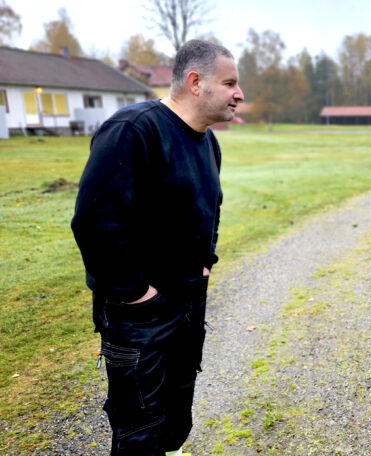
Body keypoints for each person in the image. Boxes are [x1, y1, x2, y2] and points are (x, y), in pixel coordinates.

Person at [71, 40, 244, 455]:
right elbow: (95, 222)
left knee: (176, 414)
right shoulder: (134, 130)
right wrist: (134, 293)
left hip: (188, 302)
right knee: (140, 426)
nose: (239, 94)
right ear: (195, 81)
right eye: (230, 83)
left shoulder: (207, 141)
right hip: (140, 314)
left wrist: (205, 263)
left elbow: (210, 209)